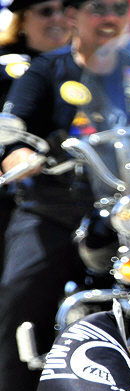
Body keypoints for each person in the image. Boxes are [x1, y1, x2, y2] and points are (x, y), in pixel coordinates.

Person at [0, 1, 129, 391]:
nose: (109, 17)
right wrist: (16, 153)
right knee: (21, 291)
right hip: (56, 208)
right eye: (98, 8)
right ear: (77, 17)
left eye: (119, 7)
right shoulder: (45, 70)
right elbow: (10, 122)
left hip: (129, 212)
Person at [0, 0, 70, 275]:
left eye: (64, 10)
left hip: (75, 188)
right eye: (46, 11)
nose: (58, 19)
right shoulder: (6, 65)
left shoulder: (89, 64)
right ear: (22, 20)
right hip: (17, 184)